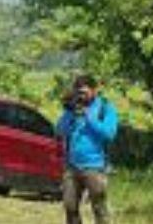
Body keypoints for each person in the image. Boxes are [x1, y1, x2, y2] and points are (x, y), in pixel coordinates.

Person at [56, 75, 118, 224]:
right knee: (70, 207)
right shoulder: (73, 108)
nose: (81, 96)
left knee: (99, 209)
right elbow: (59, 130)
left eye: (84, 92)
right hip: (72, 166)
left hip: (95, 167)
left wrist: (89, 118)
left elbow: (109, 134)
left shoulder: (105, 108)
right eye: (78, 92)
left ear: (94, 91)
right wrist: (70, 115)